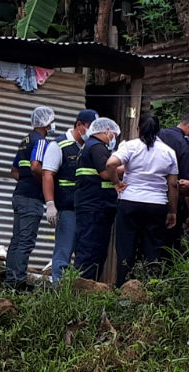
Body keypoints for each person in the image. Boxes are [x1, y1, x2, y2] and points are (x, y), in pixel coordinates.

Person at [105, 113, 179, 286]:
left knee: (126, 246)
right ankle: (150, 287)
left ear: (138, 129)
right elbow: (173, 184)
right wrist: (173, 211)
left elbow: (110, 164)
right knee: (153, 247)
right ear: (158, 131)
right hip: (157, 204)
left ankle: (123, 287)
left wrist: (116, 183)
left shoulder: (130, 146)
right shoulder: (169, 152)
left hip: (130, 201)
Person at [42, 109, 98, 284]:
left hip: (87, 209)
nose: (93, 133)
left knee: (85, 253)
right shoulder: (58, 145)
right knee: (63, 252)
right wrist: (50, 204)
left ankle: (78, 293)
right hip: (68, 209)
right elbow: (47, 174)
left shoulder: (91, 147)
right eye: (91, 127)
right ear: (79, 125)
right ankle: (58, 292)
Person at [5, 106, 52, 290]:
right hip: (31, 197)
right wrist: (44, 183)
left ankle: (10, 281)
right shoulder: (40, 141)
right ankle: (18, 283)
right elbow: (35, 166)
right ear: (46, 123)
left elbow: (14, 171)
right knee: (25, 241)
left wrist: (25, 181)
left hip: (19, 194)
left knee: (16, 240)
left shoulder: (24, 140)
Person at [73, 117, 120, 281]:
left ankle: (85, 287)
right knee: (91, 250)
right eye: (113, 134)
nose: (113, 138)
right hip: (95, 207)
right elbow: (106, 173)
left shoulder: (88, 146)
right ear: (107, 131)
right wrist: (127, 165)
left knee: (91, 249)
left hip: (91, 205)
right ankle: (83, 288)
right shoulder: (97, 148)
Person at [158, 113, 189, 249]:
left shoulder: (158, 135)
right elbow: (188, 182)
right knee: (168, 244)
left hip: (144, 199)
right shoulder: (183, 144)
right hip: (171, 202)